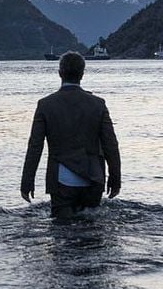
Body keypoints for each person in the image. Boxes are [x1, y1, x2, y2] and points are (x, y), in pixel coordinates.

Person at [21, 51, 121, 218]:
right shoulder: (98, 104)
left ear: (60, 73)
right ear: (82, 74)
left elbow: (35, 147)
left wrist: (27, 181)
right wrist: (115, 178)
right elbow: (111, 144)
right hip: (94, 177)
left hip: (61, 180)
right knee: (93, 233)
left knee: (61, 235)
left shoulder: (45, 105)